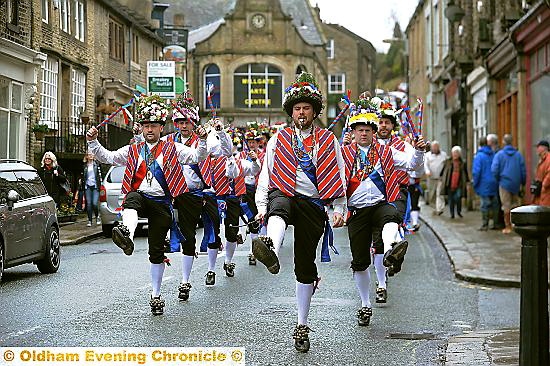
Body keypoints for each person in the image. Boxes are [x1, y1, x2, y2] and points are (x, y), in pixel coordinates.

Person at [86, 94, 209, 315]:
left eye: (153, 126)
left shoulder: (174, 149)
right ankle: (127, 233)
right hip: (142, 196)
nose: (149, 130)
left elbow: (197, 157)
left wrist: (201, 139)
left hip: (162, 203)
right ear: (141, 128)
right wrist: (93, 141)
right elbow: (107, 157)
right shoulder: (133, 150)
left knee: (156, 251)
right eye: (145, 126)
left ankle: (155, 294)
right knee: (131, 199)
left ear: (161, 128)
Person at [253, 72, 347, 353]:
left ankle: (302, 323)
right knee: (279, 204)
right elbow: (266, 177)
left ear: (315, 111)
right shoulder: (277, 139)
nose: (301, 112)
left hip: (313, 204)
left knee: (304, 266)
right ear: (290, 112)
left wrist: (339, 208)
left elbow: (338, 174)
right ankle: (271, 246)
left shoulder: (328, 141)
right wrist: (261, 208)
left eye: (306, 108)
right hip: (284, 195)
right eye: (297, 108)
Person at [341, 96, 425, 327]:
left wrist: (418, 152)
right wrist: (336, 209)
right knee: (359, 262)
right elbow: (332, 180)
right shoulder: (344, 154)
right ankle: (365, 304)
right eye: (359, 130)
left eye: (368, 129)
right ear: (354, 132)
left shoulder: (386, 152)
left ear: (373, 131)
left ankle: (391, 250)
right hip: (356, 211)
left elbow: (412, 164)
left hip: (380, 204)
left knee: (391, 216)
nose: (364, 134)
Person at [164, 92, 232, 299]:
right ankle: (185, 281)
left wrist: (221, 133)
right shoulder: (168, 141)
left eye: (188, 121)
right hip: (183, 195)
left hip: (206, 192)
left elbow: (227, 152)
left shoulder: (206, 139)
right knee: (188, 237)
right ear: (175, 123)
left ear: (194, 121)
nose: (184, 126)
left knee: (213, 233)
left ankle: (211, 269)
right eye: (180, 122)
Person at [239, 129, 266, 265]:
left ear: (257, 143)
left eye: (253, 142)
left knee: (255, 219)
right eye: (249, 142)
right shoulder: (241, 155)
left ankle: (254, 250)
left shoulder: (263, 156)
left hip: (258, 190)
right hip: (243, 190)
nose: (251, 145)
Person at [491, 134, 526, 234]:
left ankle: (508, 226)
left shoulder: (499, 155)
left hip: (504, 183)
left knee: (506, 205)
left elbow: (494, 169)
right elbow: (523, 170)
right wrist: (522, 182)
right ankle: (516, 225)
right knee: (515, 204)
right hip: (516, 183)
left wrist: (499, 179)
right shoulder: (518, 155)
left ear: (503, 142)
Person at [472, 137, 498, 231]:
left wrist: (475, 183)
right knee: (495, 204)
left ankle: (485, 224)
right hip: (494, 182)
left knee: (485, 205)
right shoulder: (493, 154)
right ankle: (495, 223)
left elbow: (476, 172)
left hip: (484, 183)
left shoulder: (479, 156)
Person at [441, 146, 469, 219]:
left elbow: (465, 173)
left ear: (459, 154)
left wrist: (467, 182)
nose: (455, 154)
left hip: (459, 183)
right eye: (454, 153)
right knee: (451, 199)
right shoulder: (448, 162)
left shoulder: (462, 163)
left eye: (457, 153)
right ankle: (452, 213)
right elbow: (443, 171)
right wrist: (442, 179)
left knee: (458, 198)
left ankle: (459, 211)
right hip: (449, 183)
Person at [424, 141, 447, 215]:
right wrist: (427, 171)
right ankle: (435, 207)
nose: (435, 148)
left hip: (441, 178)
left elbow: (446, 164)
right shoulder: (427, 155)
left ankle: (440, 208)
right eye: (434, 147)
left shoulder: (443, 154)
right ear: (431, 148)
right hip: (431, 177)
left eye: (436, 147)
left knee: (439, 193)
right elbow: (425, 165)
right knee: (432, 193)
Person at [82, 153, 103, 227]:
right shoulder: (85, 166)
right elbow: (83, 177)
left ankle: (97, 216)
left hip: (95, 186)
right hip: (87, 186)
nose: (90, 156)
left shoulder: (97, 165)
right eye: (89, 155)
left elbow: (100, 176)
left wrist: (101, 185)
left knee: (94, 203)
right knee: (89, 204)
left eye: (92, 154)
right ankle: (90, 220)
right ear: (87, 156)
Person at [533, 140, 550, 206]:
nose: (537, 149)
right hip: (542, 194)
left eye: (538, 147)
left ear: (544, 148)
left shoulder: (548, 159)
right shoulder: (542, 159)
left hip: (546, 194)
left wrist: (544, 185)